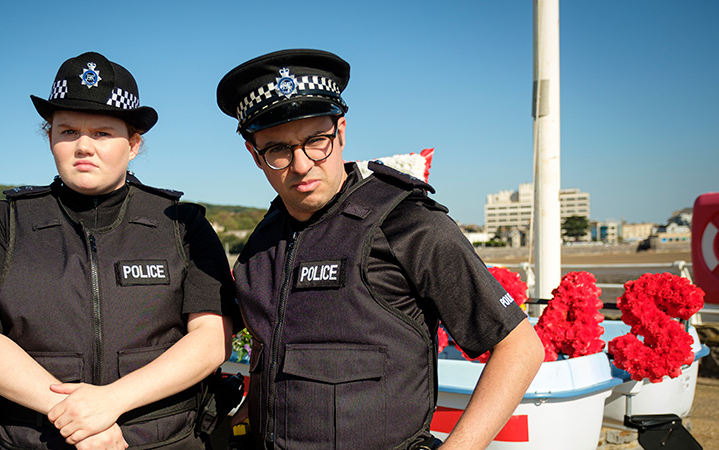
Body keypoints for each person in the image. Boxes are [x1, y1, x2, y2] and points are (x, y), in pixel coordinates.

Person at [216, 49, 544, 449]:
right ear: (254, 155)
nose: (301, 165)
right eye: (278, 150)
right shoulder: (260, 246)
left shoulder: (410, 225)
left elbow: (519, 347)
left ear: (341, 131)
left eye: (316, 141)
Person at [0, 52, 236, 450]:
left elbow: (211, 341)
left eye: (103, 133)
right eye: (68, 131)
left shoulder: (180, 223)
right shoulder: (5, 223)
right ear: (50, 137)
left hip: (161, 440)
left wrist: (111, 401)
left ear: (134, 144)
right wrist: (79, 416)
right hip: (35, 440)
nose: (83, 147)